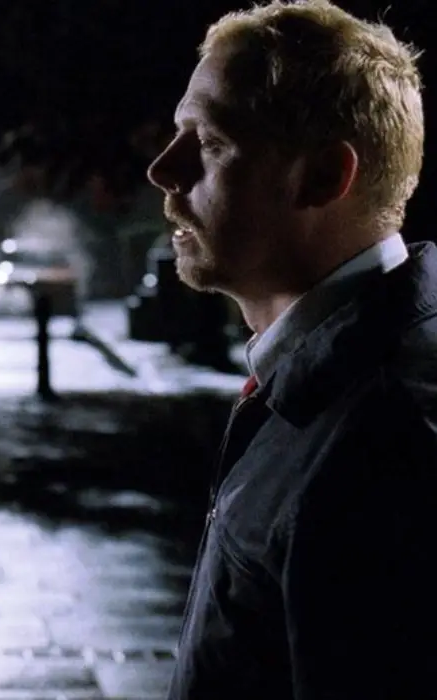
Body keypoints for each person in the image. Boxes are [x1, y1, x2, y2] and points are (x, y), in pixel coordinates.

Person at [145, 1, 433, 697]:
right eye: (179, 132)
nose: (164, 169)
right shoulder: (333, 383)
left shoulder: (386, 438)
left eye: (211, 142)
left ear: (324, 177)